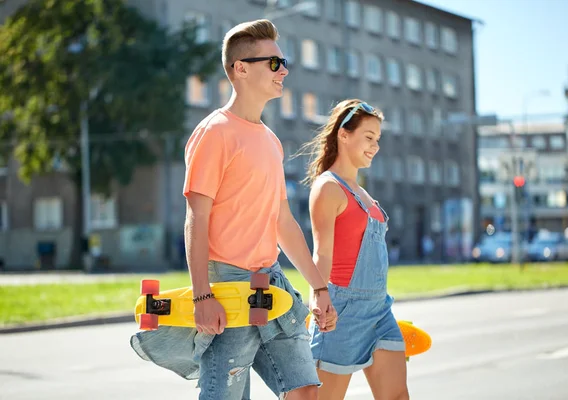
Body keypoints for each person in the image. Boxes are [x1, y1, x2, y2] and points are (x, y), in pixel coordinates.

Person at [130, 19, 337, 400]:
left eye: (283, 61)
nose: (284, 70)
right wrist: (202, 297)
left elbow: (282, 221)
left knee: (305, 393)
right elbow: (196, 218)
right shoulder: (214, 132)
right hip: (227, 290)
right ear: (240, 69)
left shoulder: (271, 142)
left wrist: (318, 286)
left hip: (270, 284)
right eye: (274, 63)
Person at [302, 99, 410, 399]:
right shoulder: (328, 187)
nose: (375, 146)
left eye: (377, 139)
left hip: (379, 309)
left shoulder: (362, 192)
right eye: (368, 138)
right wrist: (319, 297)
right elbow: (321, 252)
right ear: (344, 134)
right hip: (342, 311)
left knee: (397, 396)